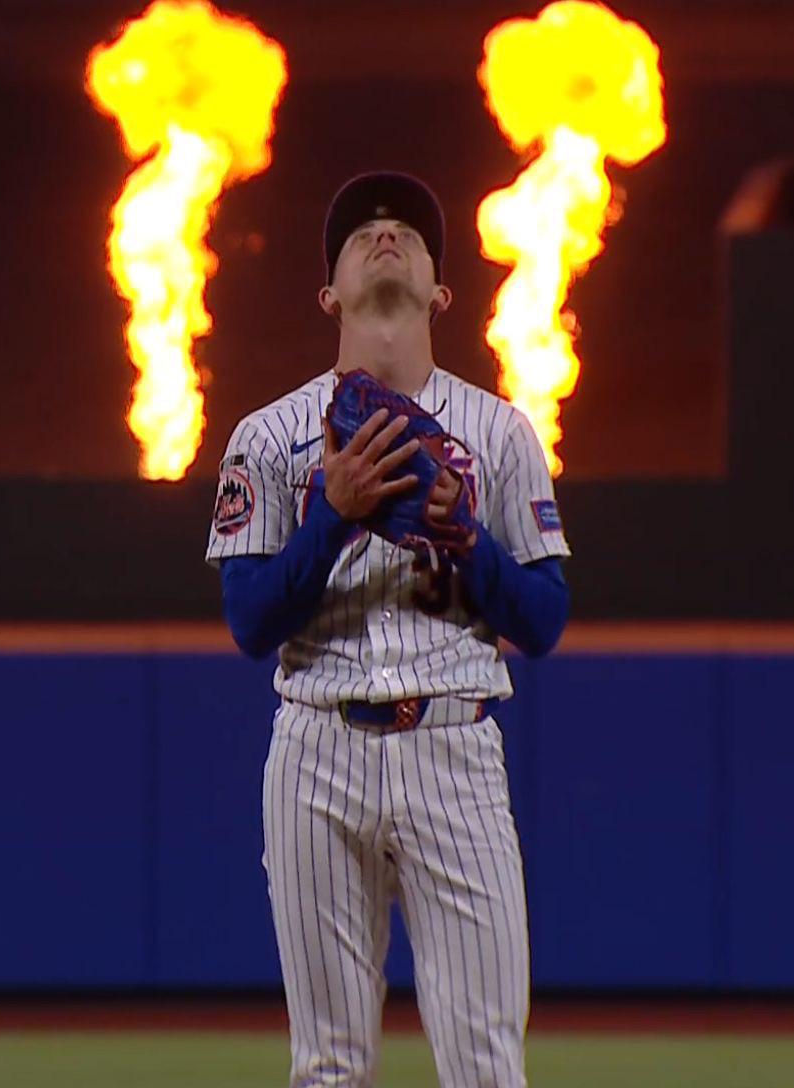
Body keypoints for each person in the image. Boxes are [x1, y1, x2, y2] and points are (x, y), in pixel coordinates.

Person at [206, 172, 571, 1088]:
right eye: (360, 230)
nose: (384, 233)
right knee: (328, 1066)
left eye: (407, 229)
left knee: (485, 1065)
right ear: (327, 294)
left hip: (453, 742)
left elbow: (543, 620)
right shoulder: (267, 436)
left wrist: (469, 542)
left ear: (441, 293)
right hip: (316, 746)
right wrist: (330, 516)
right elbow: (250, 622)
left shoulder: (499, 432)